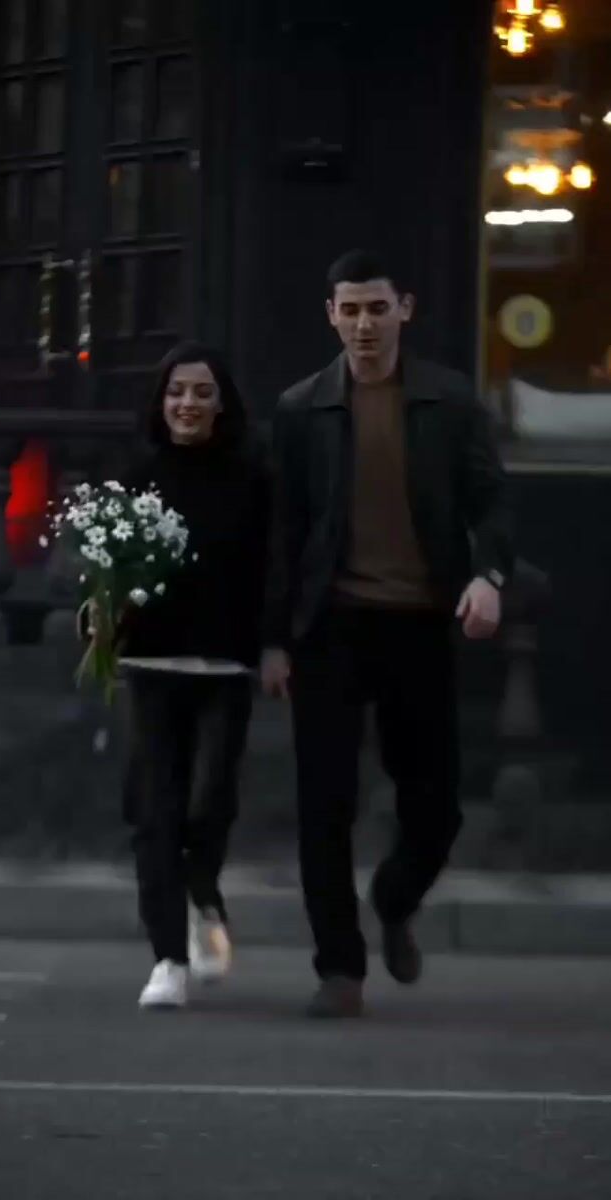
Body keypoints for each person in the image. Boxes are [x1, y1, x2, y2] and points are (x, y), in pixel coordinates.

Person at [262, 249, 513, 1018]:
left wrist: (488, 575)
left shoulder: (448, 400)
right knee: (325, 805)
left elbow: (491, 501)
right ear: (330, 316)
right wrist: (274, 640)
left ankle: (395, 898)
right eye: (350, 310)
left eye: (377, 308)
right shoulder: (302, 408)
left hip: (420, 621)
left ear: (405, 309)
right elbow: (284, 532)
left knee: (436, 806)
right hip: (331, 623)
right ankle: (340, 969)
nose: (364, 325)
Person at [119, 341, 270, 1010]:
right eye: (177, 392)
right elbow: (103, 569)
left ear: (221, 405)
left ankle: (203, 894)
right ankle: (168, 959)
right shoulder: (136, 475)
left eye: (202, 393)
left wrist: (276, 644)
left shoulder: (252, 479)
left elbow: (274, 568)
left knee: (210, 801)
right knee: (156, 813)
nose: (188, 404)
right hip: (150, 662)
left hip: (225, 663)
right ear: (161, 401)